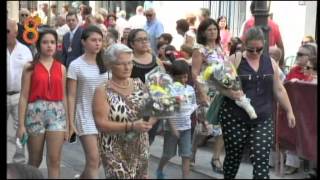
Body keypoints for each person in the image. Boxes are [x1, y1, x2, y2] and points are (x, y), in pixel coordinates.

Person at [216, 27, 295, 179]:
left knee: (261, 160)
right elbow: (218, 85)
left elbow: (279, 89)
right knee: (233, 157)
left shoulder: (270, 62)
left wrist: (290, 111)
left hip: (262, 117)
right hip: (234, 117)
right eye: (251, 49)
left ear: (263, 45)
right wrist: (230, 93)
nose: (255, 53)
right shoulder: (235, 59)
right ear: (244, 45)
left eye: (259, 49)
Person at [93, 43, 155, 178]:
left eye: (130, 62)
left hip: (140, 145)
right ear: (110, 65)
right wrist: (132, 126)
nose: (127, 67)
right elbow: (101, 124)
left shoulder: (139, 83)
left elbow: (150, 112)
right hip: (114, 148)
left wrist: (164, 108)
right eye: (121, 64)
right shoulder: (102, 90)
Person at [17, 27, 68, 179]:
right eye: (45, 42)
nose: (49, 46)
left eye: (52, 42)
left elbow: (64, 95)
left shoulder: (62, 68)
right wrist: (21, 125)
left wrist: (68, 125)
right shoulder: (29, 67)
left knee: (54, 160)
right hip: (34, 114)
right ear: (39, 45)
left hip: (57, 115)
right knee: (35, 159)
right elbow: (24, 96)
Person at [67, 25, 109, 179]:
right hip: (84, 114)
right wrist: (70, 122)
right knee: (93, 159)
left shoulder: (106, 62)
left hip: (104, 115)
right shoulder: (75, 65)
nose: (97, 43)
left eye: (100, 40)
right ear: (84, 42)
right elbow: (71, 95)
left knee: (97, 161)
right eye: (93, 40)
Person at [191, 18, 225, 173]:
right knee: (204, 127)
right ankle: (191, 153)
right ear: (203, 32)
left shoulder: (220, 47)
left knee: (221, 127)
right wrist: (202, 93)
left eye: (215, 29)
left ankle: (216, 158)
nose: (213, 32)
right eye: (209, 29)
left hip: (220, 91)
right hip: (204, 90)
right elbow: (194, 72)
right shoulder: (199, 49)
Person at [156, 60, 196, 179]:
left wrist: (199, 117)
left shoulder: (190, 89)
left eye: (185, 77)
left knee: (186, 155)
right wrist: (173, 128)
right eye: (179, 78)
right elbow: (168, 111)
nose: (183, 80)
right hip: (171, 129)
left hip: (186, 128)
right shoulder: (169, 89)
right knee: (168, 154)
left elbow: (193, 105)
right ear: (172, 77)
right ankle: (160, 169)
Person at [127, 28, 164, 145]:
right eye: (140, 40)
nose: (144, 42)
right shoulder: (127, 60)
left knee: (147, 143)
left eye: (146, 39)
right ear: (132, 44)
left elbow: (164, 87)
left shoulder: (156, 60)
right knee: (131, 144)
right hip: (131, 109)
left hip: (152, 109)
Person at [7, 19, 33, 164]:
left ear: (16, 33)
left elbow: (31, 74)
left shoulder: (25, 51)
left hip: (19, 95)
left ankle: (19, 161)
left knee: (20, 129)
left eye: (8, 31)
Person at [241, 2, 285, 68]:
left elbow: (243, 44)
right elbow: (281, 47)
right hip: (269, 63)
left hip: (252, 61)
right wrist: (281, 65)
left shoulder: (249, 23)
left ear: (252, 10)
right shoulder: (274, 25)